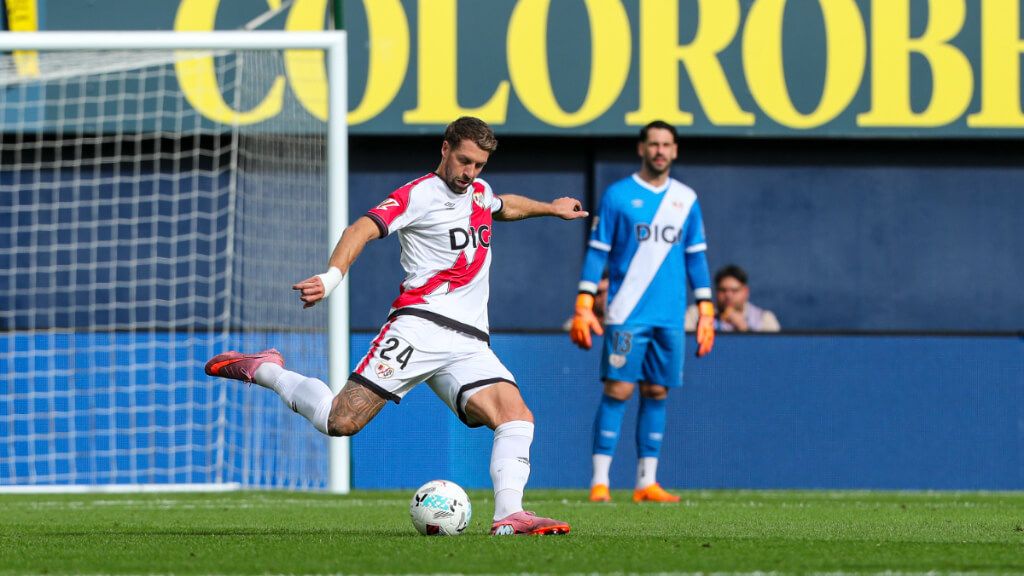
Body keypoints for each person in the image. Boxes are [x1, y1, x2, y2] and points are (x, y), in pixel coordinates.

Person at [205, 117, 586, 535]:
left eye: (479, 165)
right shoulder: (418, 195)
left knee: (516, 416)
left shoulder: (479, 191)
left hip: (469, 341)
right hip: (419, 327)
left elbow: (504, 205)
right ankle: (265, 369)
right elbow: (362, 229)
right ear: (445, 149)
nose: (469, 173)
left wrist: (550, 208)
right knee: (340, 421)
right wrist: (332, 278)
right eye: (464, 161)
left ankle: (509, 515)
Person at [569, 120, 715, 504]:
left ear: (675, 150)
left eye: (667, 144)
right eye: (654, 144)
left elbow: (696, 257)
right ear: (642, 148)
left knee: (657, 391)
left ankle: (646, 482)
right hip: (627, 312)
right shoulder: (618, 196)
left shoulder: (686, 198)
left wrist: (706, 306)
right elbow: (598, 250)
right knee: (618, 389)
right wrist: (585, 300)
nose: (660, 150)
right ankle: (599, 480)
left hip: (668, 315)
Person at [685, 265, 780, 332]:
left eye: (734, 290)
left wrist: (744, 329)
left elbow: (772, 352)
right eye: (723, 290)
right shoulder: (696, 315)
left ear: (746, 292)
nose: (728, 296)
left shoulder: (765, 318)